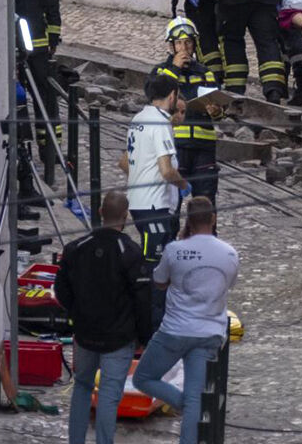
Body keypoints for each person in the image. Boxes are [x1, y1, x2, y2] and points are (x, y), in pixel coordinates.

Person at [133, 197, 239, 444]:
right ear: (213, 219)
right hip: (209, 333)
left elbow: (159, 282)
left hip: (175, 331)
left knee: (143, 378)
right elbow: (228, 284)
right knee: (194, 398)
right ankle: (191, 408)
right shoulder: (230, 253)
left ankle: (187, 405)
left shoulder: (174, 250)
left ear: (188, 221)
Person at [55, 192, 152, 444]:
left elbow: (61, 289)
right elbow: (143, 300)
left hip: (85, 333)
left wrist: (76, 313)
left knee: (82, 387)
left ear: (99, 212)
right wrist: (144, 336)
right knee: (109, 395)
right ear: (126, 216)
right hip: (119, 337)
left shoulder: (76, 248)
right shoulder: (130, 252)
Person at [152, 17, 224, 210]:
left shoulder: (205, 73)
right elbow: (157, 95)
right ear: (171, 46)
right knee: (170, 206)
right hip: (174, 146)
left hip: (204, 148)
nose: (184, 48)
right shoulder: (160, 71)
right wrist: (175, 68)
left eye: (188, 43)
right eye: (179, 43)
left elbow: (219, 111)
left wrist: (216, 110)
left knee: (206, 206)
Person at [119, 75, 189, 267]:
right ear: (172, 95)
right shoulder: (160, 123)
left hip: (137, 201)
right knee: (153, 264)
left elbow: (124, 162)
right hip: (154, 205)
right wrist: (183, 185)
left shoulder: (138, 118)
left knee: (154, 258)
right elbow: (167, 171)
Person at [14, 0, 62, 177]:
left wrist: (54, 37)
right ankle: (22, 151)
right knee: (17, 100)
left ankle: (50, 150)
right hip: (13, 48)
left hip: (39, 47)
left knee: (46, 98)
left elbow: (53, 6)